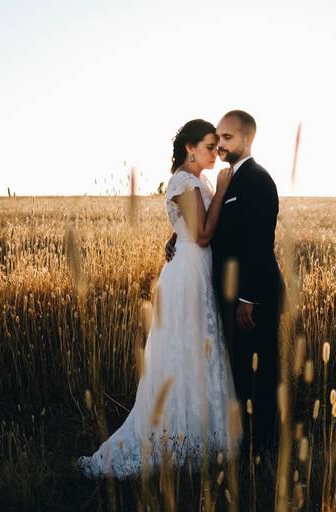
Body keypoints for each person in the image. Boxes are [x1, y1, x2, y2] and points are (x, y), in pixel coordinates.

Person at [77, 119, 240, 477]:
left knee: (199, 347)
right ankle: (178, 433)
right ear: (190, 148)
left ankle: (202, 431)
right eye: (210, 146)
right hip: (188, 272)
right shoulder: (185, 180)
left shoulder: (198, 180)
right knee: (184, 349)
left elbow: (185, 224)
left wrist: (175, 233)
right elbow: (201, 235)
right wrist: (224, 190)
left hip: (194, 269)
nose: (216, 152)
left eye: (217, 146)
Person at [166, 110, 284, 467]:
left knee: (262, 370)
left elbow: (259, 243)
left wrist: (248, 296)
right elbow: (211, 227)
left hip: (256, 293)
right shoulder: (227, 180)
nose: (219, 147)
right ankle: (244, 438)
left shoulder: (257, 180)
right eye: (216, 141)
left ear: (247, 140)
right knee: (240, 369)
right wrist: (177, 236)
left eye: (227, 140)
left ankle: (265, 447)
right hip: (225, 289)